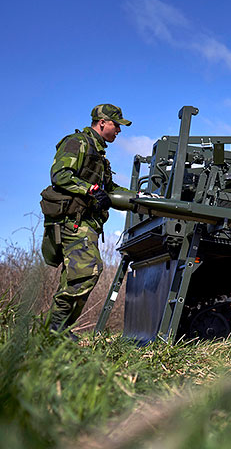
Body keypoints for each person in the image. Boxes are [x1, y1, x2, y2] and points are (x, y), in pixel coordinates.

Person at [40, 104, 134, 341]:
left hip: (87, 223)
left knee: (80, 273)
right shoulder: (78, 142)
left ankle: (54, 332)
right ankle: (54, 330)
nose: (119, 132)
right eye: (116, 126)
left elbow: (110, 189)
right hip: (73, 220)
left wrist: (138, 197)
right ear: (102, 122)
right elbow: (60, 175)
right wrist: (89, 190)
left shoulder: (100, 156)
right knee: (87, 270)